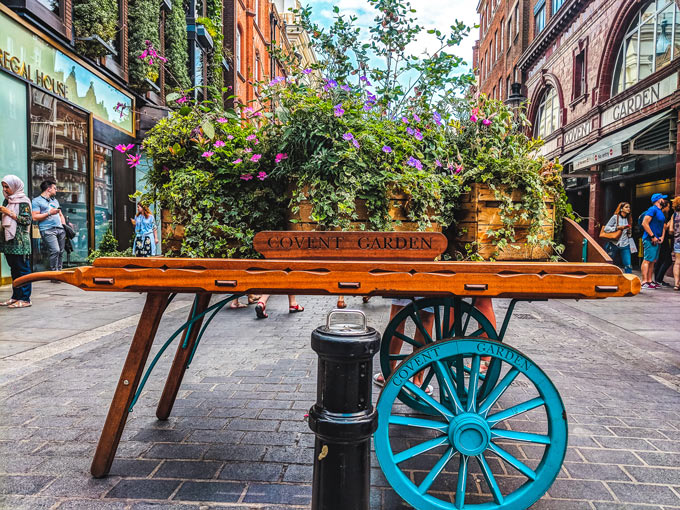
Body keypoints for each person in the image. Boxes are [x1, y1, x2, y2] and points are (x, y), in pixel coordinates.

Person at [0, 175, 33, 308]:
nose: (5, 189)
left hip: (20, 242)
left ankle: (25, 299)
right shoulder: (6, 201)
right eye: (3, 186)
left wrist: (9, 213)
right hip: (9, 241)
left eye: (7, 186)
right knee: (14, 270)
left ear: (15, 186)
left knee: (23, 270)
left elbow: (27, 220)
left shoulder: (23, 201)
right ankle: (16, 296)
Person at [31, 180, 65, 275]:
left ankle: (60, 272)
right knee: (55, 250)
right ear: (49, 189)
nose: (56, 190)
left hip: (60, 229)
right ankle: (54, 274)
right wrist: (49, 213)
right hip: (47, 229)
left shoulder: (55, 200)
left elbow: (61, 214)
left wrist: (64, 226)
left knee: (61, 252)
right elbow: (34, 217)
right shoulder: (36, 201)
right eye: (54, 188)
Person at [640, 193, 667, 290]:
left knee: (652, 261)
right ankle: (644, 281)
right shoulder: (652, 209)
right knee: (647, 260)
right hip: (649, 239)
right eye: (662, 199)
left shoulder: (659, 211)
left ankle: (649, 281)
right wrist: (652, 236)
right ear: (658, 200)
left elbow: (663, 225)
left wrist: (661, 237)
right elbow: (645, 223)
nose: (664, 201)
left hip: (656, 240)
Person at [603, 202, 633, 274]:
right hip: (614, 244)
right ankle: (606, 278)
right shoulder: (615, 217)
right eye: (626, 207)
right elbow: (606, 229)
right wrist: (617, 228)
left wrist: (629, 231)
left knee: (628, 265)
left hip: (625, 244)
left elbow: (629, 234)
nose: (628, 209)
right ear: (621, 209)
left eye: (629, 207)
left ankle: (628, 281)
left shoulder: (629, 219)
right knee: (609, 263)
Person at [653, 199, 673, 287]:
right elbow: (665, 228)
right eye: (668, 207)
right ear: (664, 207)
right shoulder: (662, 216)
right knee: (667, 260)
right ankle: (659, 279)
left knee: (660, 259)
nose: (669, 209)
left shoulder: (659, 214)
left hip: (659, 238)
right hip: (662, 239)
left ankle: (657, 279)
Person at [669, 196, 680, 291]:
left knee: (677, 263)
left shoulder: (674, 215)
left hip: (677, 241)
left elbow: (671, 230)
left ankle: (676, 284)